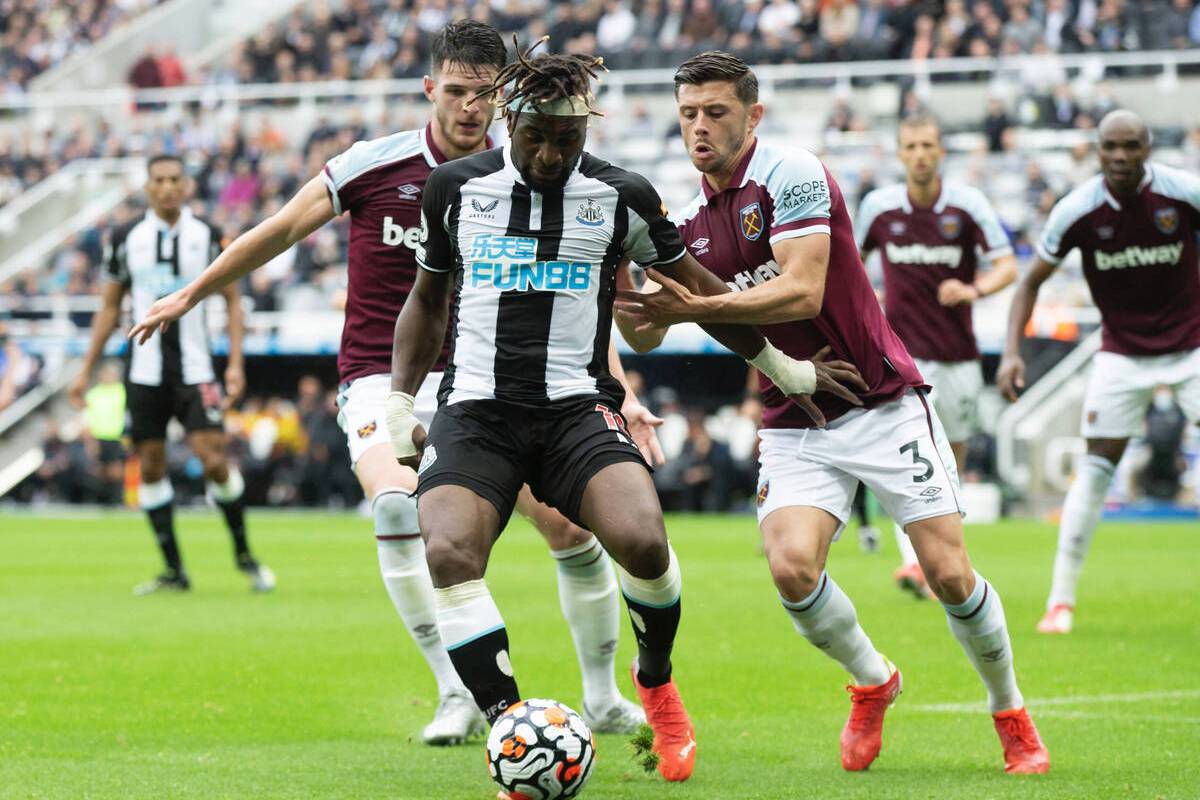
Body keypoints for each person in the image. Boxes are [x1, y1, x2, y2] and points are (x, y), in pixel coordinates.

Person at [131, 22, 650, 746]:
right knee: (398, 510)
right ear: (430, 88)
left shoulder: (534, 176)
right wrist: (192, 293)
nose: (470, 107)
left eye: (483, 95)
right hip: (382, 376)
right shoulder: (374, 166)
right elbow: (280, 230)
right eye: (458, 91)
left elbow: (577, 304)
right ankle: (456, 691)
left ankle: (600, 696)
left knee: (567, 525)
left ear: (503, 103)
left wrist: (619, 388)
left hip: (495, 383)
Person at [386, 41, 855, 785]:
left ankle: (656, 682)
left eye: (566, 140)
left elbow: (700, 292)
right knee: (447, 553)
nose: (548, 153)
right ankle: (513, 730)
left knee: (642, 542)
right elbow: (425, 300)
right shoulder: (453, 188)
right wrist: (397, 404)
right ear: (510, 121)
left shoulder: (621, 196)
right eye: (535, 136)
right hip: (476, 412)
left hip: (577, 409)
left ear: (586, 132)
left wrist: (786, 368)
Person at [615, 50, 1048, 775]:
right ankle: (874, 680)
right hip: (793, 414)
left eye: (716, 112)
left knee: (947, 573)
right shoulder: (680, 216)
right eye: (688, 113)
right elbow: (645, 331)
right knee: (790, 569)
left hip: (877, 397)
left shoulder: (791, 172)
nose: (700, 126)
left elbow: (803, 290)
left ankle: (1010, 711)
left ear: (752, 115)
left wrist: (698, 304)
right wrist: (628, 283)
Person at [997, 109, 1200, 635]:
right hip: (1121, 355)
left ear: (1148, 148)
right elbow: (1028, 283)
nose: (1119, 156)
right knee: (1095, 469)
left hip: (1191, 349)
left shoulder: (1182, 194)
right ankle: (1060, 601)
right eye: (1110, 146)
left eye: (1130, 146)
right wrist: (1013, 351)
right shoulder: (1077, 211)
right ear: (1097, 149)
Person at [69, 154, 274, 596]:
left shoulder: (208, 234)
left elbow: (234, 300)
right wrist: (85, 370)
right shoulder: (125, 236)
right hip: (143, 371)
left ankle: (244, 555)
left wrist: (235, 363)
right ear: (148, 187)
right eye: (158, 180)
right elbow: (109, 306)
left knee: (215, 460)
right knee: (151, 466)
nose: (166, 187)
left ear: (186, 186)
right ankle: (173, 570)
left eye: (174, 179)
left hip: (197, 368)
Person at [856, 113, 1018, 599]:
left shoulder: (967, 205)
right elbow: (848, 264)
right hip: (901, 357)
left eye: (929, 145)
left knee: (953, 461)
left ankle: (945, 559)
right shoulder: (879, 208)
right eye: (912, 146)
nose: (921, 154)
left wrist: (973, 288)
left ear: (941, 150)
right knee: (906, 455)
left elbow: (1007, 265)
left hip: (959, 355)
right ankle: (917, 564)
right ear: (900, 154)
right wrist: (868, 302)